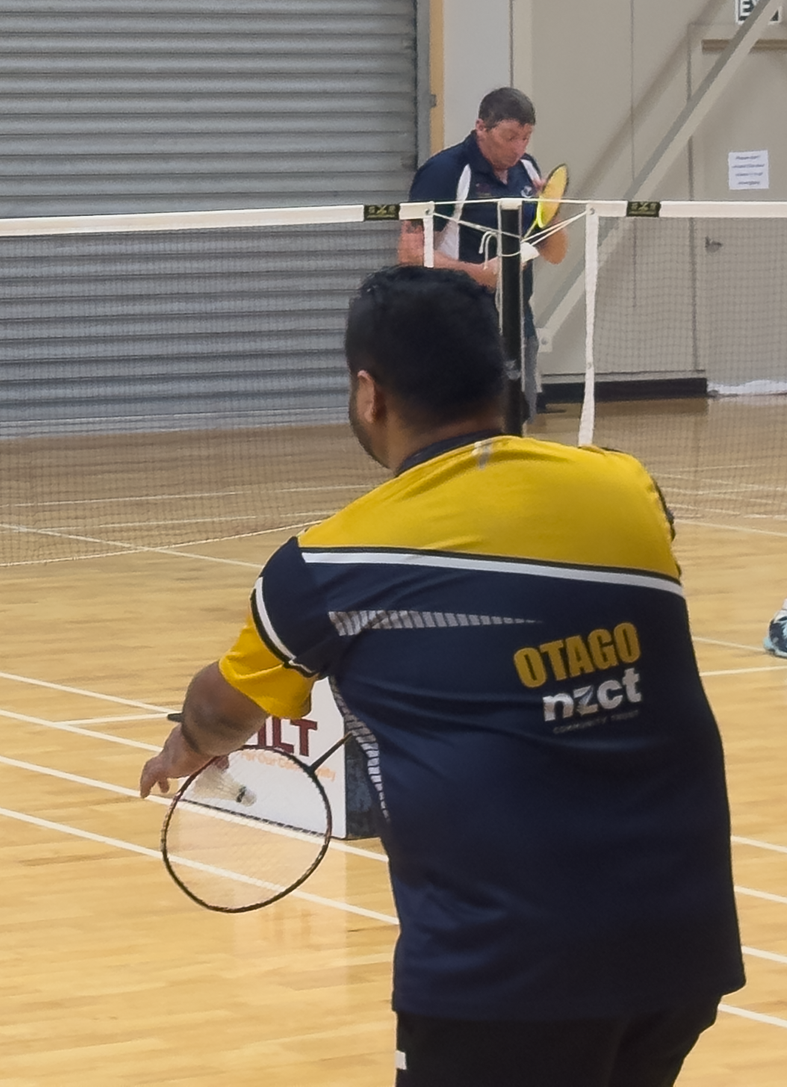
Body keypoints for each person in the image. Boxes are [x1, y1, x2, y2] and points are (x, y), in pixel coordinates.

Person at [139, 266, 740, 1087]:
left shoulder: (325, 566)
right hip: (681, 948)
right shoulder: (628, 487)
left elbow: (221, 710)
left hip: (501, 972)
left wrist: (187, 746)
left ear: (369, 393)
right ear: (501, 376)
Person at [400, 85, 566, 420]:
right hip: (455, 322)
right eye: (510, 137)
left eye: (526, 137)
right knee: (458, 424)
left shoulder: (528, 169)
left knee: (516, 425)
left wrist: (552, 210)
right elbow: (410, 253)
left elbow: (555, 253)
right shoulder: (445, 171)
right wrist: (480, 274)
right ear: (481, 128)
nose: (518, 148)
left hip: (516, 323)